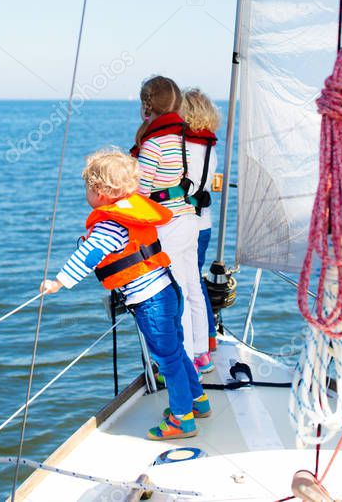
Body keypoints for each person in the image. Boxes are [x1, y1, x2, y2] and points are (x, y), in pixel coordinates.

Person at [40, 149, 210, 440]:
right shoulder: (133, 210)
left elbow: (88, 256)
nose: (87, 195)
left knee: (167, 359)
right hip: (168, 290)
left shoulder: (109, 223)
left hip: (150, 302)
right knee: (176, 351)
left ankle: (182, 420)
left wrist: (58, 282)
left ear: (101, 192)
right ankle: (197, 401)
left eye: (88, 189)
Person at [129, 77, 212, 374]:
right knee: (192, 288)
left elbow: (141, 192)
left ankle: (184, 363)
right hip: (190, 219)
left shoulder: (153, 143)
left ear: (145, 108)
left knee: (174, 294)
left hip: (169, 227)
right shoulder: (182, 138)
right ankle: (200, 351)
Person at [180, 87, 221, 353]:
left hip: (184, 224)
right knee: (197, 280)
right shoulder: (209, 148)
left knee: (188, 284)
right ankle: (208, 338)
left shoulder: (181, 146)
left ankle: (197, 341)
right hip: (204, 223)